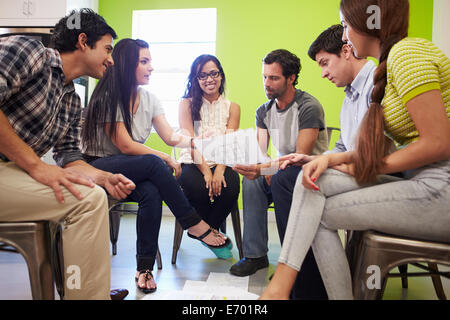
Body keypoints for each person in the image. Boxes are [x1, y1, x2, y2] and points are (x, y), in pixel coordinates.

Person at [260, 0, 450, 300]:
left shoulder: (406, 53)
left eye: (346, 25)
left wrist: (364, 165)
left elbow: (439, 142)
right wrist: (332, 158)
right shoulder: (389, 68)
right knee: (311, 180)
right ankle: (285, 287)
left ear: (369, 20)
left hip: (441, 187)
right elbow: (363, 148)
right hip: (421, 181)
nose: (345, 36)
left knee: (312, 195)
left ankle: (283, 288)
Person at [0, 9, 136, 300]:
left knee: (92, 192)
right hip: (8, 172)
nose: (111, 59)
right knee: (86, 200)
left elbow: (70, 157)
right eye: (107, 49)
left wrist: (104, 177)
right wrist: (36, 166)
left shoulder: (73, 100)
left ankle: (85, 290)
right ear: (84, 41)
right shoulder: (28, 51)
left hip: (10, 175)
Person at [81, 39, 230, 294]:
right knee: (153, 162)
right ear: (128, 64)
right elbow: (125, 145)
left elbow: (171, 137)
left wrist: (194, 141)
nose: (151, 67)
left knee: (151, 193)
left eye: (150, 61)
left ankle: (144, 268)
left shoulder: (149, 98)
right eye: (144, 61)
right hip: (98, 165)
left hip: (130, 167)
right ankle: (194, 223)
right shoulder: (108, 96)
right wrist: (166, 157)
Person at [263, 24, 377, 299]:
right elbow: (343, 147)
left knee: (289, 179)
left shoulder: (376, 85)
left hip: (372, 173)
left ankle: (302, 285)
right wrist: (313, 158)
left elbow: (370, 154)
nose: (324, 73)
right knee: (288, 174)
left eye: (326, 63)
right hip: (351, 168)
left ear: (347, 51)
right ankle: (299, 279)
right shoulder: (350, 96)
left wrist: (319, 161)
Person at [230, 49, 328, 282]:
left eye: (273, 78)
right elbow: (261, 152)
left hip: (308, 170)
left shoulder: (308, 106)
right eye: (264, 77)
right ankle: (255, 256)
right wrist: (260, 167)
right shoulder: (263, 111)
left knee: (281, 175)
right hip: (279, 169)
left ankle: (289, 263)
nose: (267, 83)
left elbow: (300, 155)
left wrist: (269, 168)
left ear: (291, 78)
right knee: (251, 181)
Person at [177, 54, 241, 259]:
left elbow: (229, 142)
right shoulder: (186, 104)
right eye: (202, 75)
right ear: (195, 79)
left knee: (230, 187)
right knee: (197, 187)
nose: (209, 79)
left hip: (223, 159)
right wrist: (206, 172)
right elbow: (190, 141)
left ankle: (199, 230)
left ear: (221, 75)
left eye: (213, 73)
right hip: (193, 160)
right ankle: (211, 234)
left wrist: (220, 170)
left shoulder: (233, 107)